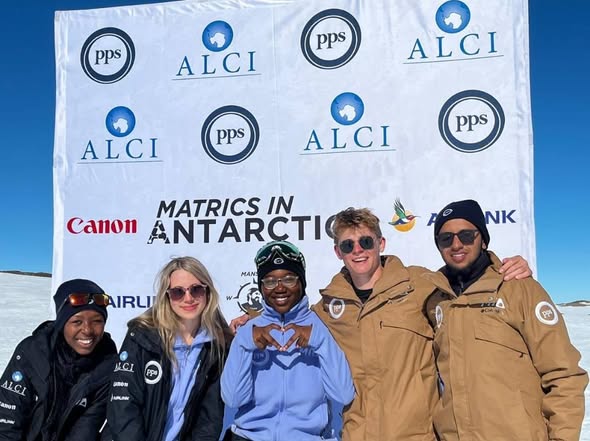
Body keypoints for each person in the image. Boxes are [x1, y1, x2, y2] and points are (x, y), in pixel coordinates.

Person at [231, 207, 530, 441]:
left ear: (380, 243)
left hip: (416, 435)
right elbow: (295, 314)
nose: (358, 250)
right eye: (348, 245)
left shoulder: (420, 284)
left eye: (365, 242)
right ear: (338, 252)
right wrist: (254, 320)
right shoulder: (329, 306)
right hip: (357, 434)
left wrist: (500, 267)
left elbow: (465, 283)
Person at [424, 199, 588, 441]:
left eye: (466, 235)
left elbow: (564, 375)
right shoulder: (434, 299)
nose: (456, 244)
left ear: (483, 239)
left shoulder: (518, 289)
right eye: (446, 238)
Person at [221, 240, 354, 441]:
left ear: (302, 282)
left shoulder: (322, 326)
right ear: (261, 287)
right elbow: (233, 399)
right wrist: (244, 344)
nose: (280, 288)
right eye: (270, 281)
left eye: (289, 279)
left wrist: (320, 341)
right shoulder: (248, 330)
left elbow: (343, 395)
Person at [106, 256, 231, 441]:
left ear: (208, 292)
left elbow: (209, 417)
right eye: (178, 292)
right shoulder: (142, 335)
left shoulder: (217, 345)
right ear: (167, 296)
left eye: (196, 289)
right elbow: (123, 406)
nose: (188, 298)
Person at [0, 278, 117, 440]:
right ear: (62, 324)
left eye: (97, 321)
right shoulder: (33, 352)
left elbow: (86, 429)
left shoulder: (108, 364)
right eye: (77, 321)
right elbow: (6, 421)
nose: (87, 330)